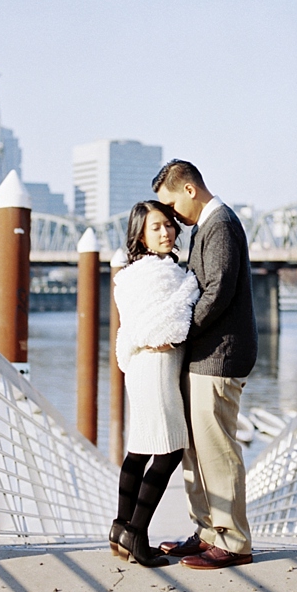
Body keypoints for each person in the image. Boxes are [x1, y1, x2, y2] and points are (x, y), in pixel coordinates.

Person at [153, 159, 258, 569]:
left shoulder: (221, 224)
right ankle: (207, 532)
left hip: (221, 355)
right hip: (207, 356)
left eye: (173, 203)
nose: (172, 215)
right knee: (195, 450)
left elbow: (217, 290)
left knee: (216, 450)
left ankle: (233, 542)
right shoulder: (206, 227)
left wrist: (180, 329)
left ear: (189, 190)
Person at [109, 200, 200, 567]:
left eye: (169, 226)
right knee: (169, 450)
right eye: (156, 228)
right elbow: (171, 326)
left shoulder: (133, 274)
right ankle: (137, 532)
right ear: (141, 236)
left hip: (142, 369)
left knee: (140, 449)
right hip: (158, 366)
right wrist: (190, 290)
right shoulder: (163, 275)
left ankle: (120, 526)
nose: (166, 233)